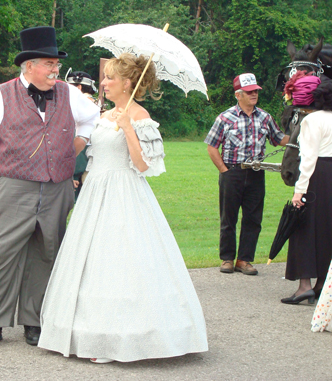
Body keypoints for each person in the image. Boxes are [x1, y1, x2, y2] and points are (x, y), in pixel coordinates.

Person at [38, 53, 208, 364]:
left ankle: (119, 339)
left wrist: (129, 127)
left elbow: (144, 165)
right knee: (90, 262)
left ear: (127, 83)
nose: (103, 82)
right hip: (95, 193)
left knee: (120, 263)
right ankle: (85, 334)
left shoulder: (140, 117)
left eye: (109, 78)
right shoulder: (103, 116)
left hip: (124, 192)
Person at [0, 26, 99, 349]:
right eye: (49, 63)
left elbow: (93, 117)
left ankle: (34, 320)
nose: (55, 70)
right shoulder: (0, 96)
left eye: (56, 63)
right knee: (2, 253)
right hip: (13, 186)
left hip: (57, 187)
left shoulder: (69, 94)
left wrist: (79, 143)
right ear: (29, 65)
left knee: (46, 253)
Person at [205, 73, 289, 275]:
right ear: (238, 95)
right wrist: (223, 171)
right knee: (228, 218)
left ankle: (244, 260)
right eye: (249, 92)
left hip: (256, 173)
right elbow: (211, 146)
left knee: (253, 219)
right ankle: (227, 259)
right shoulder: (225, 118)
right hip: (232, 172)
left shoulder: (265, 117)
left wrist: (303, 134)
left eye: (256, 91)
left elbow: (278, 139)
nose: (254, 95)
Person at [281, 79, 332, 307]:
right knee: (327, 228)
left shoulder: (313, 120)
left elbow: (309, 158)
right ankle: (322, 283)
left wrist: (299, 191)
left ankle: (304, 286)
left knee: (303, 226)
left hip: (318, 175)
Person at [65, 70, 98, 198]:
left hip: (81, 157)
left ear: (78, 87)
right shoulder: (95, 104)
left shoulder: (82, 103)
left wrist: (71, 174)